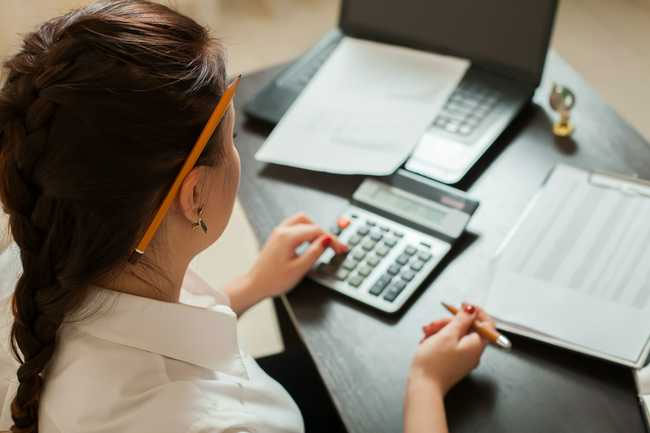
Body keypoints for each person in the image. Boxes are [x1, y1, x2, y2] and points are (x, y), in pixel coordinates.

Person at [0, 1, 494, 432]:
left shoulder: (31, 254)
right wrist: (425, 385)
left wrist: (249, 287)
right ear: (193, 195)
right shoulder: (233, 425)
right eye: (232, 142)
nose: (238, 156)